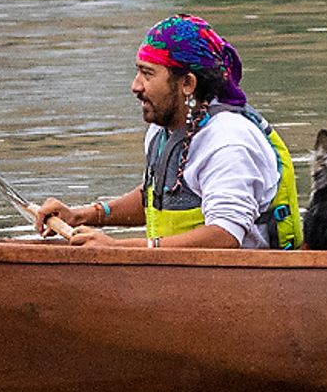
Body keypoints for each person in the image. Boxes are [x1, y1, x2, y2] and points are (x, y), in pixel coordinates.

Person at [32, 14, 305, 250]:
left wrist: (120, 248)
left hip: (249, 286)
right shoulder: (160, 130)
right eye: (138, 72)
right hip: (184, 280)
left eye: (147, 74)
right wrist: (81, 217)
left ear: (187, 83)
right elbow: (155, 196)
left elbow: (225, 235)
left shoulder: (229, 141)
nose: (135, 86)